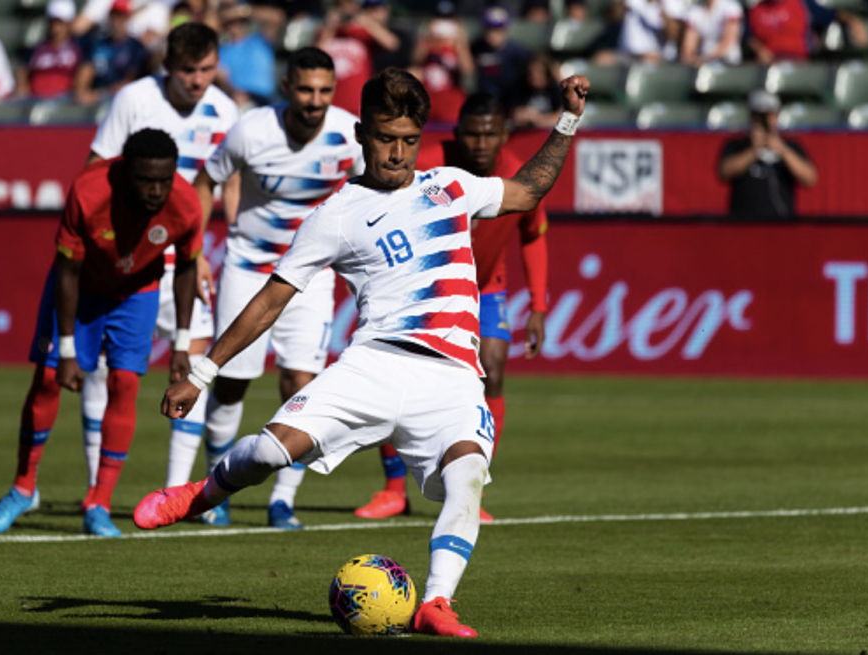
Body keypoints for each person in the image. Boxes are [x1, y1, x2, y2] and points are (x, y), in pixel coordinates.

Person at [134, 67, 589, 637]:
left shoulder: (450, 185)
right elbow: (272, 300)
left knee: (468, 473)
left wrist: (568, 119)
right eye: (383, 138)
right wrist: (200, 373)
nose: (396, 153)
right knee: (274, 453)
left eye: (407, 140)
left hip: (451, 377)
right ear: (361, 135)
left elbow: (528, 190)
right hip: (373, 365)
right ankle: (201, 494)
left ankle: (436, 603)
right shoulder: (337, 215)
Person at [0, 129, 205, 538]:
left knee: (125, 384)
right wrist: (66, 350)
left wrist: (181, 344)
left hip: (138, 293)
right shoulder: (88, 192)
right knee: (47, 379)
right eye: (145, 180)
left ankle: (99, 503)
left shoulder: (185, 204)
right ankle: (22, 489)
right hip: (80, 289)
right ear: (124, 173)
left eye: (163, 181)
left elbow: (186, 268)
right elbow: (66, 270)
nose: (156, 191)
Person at [187, 46, 364, 530]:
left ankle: (282, 501)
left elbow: (372, 192)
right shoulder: (251, 130)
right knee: (231, 382)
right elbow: (206, 182)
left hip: (311, 274)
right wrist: (198, 250)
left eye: (324, 90)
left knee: (301, 386)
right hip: (248, 268)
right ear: (286, 87)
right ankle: (214, 491)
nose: (315, 99)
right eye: (306, 89)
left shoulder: (349, 136)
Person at [355, 92, 549, 523]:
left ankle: (470, 490)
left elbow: (534, 234)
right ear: (457, 133)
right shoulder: (429, 164)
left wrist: (538, 303)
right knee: (395, 375)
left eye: (490, 134)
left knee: (493, 370)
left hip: (486, 287)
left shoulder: (519, 171)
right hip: (424, 286)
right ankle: (392, 490)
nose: (481, 143)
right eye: (472, 134)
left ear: (502, 134)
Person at [82, 21, 239, 512]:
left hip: (186, 258)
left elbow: (227, 184)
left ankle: (173, 492)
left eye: (207, 70)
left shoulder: (225, 111)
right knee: (104, 372)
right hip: (130, 257)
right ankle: (97, 493)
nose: (198, 80)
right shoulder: (134, 99)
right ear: (167, 66)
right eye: (188, 70)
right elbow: (95, 168)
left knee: (191, 365)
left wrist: (214, 248)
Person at [717, 89, 817, 219]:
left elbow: (810, 178)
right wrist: (754, 150)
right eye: (758, 116)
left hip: (780, 222)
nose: (764, 121)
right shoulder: (737, 144)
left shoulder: (790, 146)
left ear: (776, 116)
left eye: (768, 115)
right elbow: (724, 172)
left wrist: (782, 150)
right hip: (743, 221)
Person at [316, 0, 401, 117]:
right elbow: (315, 56)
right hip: (329, 102)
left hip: (357, 103)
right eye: (341, 7)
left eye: (350, 6)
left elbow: (392, 43)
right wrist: (331, 26)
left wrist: (366, 22)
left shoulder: (362, 32)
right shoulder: (326, 33)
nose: (346, 11)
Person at [73, 0, 149, 107]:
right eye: (113, 15)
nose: (116, 20)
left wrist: (100, 95)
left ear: (127, 17)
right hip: (94, 105)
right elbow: (85, 70)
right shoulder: (98, 43)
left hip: (124, 104)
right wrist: (81, 92)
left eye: (121, 16)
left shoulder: (135, 47)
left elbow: (131, 82)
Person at [410, 0, 474, 123]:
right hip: (427, 101)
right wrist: (428, 38)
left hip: (451, 103)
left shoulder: (459, 46)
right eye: (440, 20)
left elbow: (468, 70)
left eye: (447, 21)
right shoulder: (427, 43)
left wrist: (459, 42)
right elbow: (416, 59)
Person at [15, 0, 84, 99]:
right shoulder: (37, 49)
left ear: (69, 23)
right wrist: (22, 88)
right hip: (35, 100)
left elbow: (83, 75)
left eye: (60, 23)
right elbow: (23, 72)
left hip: (65, 102)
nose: (55, 28)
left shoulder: (78, 48)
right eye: (52, 22)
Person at [216, 2, 276, 110]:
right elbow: (222, 78)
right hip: (237, 100)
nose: (234, 26)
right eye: (230, 23)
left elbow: (276, 18)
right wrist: (234, 93)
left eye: (238, 21)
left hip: (264, 99)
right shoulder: (222, 51)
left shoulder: (260, 41)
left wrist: (242, 11)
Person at [471, 6, 529, 105]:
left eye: (498, 30)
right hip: (485, 102)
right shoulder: (476, 47)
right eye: (489, 29)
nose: (492, 35)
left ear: (507, 30)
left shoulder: (518, 52)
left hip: (511, 103)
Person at [679, 0, 743, 66]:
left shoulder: (731, 7)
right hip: (703, 64)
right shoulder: (695, 11)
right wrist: (691, 59)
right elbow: (688, 48)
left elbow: (729, 41)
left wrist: (705, 59)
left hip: (729, 62)